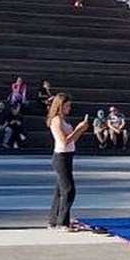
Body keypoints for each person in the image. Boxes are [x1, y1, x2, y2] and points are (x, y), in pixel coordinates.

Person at [47, 93, 90, 231]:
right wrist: (79, 128)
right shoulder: (56, 120)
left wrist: (81, 130)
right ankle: (62, 222)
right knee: (68, 189)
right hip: (61, 156)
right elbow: (64, 141)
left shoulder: (63, 120)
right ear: (60, 106)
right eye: (67, 106)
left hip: (68, 155)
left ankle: (54, 221)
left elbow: (72, 140)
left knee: (60, 190)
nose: (69, 108)